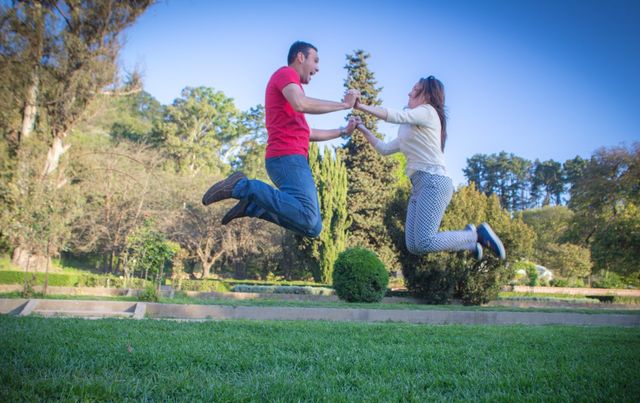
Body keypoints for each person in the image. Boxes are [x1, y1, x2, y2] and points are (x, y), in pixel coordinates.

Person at [202, 41, 359, 238]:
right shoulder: (285, 74)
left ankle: (253, 206)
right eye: (315, 60)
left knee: (313, 227)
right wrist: (344, 105)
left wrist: (343, 131)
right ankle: (240, 186)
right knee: (309, 218)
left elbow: (307, 133)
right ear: (300, 57)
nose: (317, 68)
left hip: (290, 158)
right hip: (286, 157)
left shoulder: (293, 91)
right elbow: (301, 104)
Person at [353, 76, 506, 260]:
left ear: (426, 95)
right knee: (414, 246)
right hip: (419, 186)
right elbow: (385, 149)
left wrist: (360, 106)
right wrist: (361, 128)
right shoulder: (408, 129)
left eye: (415, 89)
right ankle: (470, 241)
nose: (409, 93)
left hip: (434, 182)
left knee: (425, 240)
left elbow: (397, 115)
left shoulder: (428, 112)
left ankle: (477, 235)